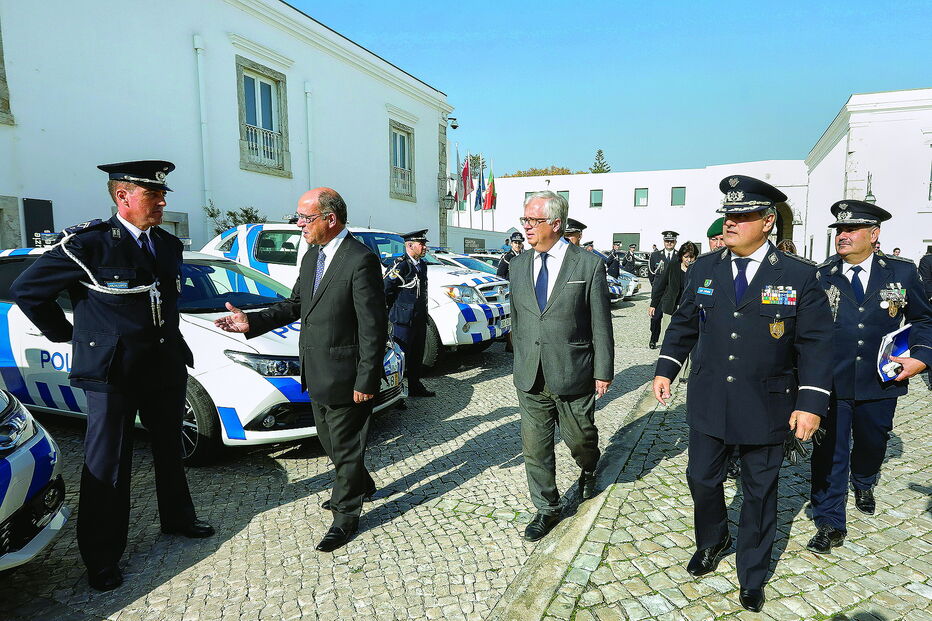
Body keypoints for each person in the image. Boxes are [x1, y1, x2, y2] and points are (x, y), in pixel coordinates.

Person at [10, 160, 213, 591]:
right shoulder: (88, 244)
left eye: (162, 195)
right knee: (109, 462)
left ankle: (178, 518)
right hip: (113, 371)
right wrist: (69, 334)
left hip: (165, 363)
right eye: (152, 195)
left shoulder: (167, 244)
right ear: (123, 196)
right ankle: (102, 556)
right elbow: (27, 290)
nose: (162, 202)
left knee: (169, 447)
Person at [651, 175, 833, 613]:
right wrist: (667, 368)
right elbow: (684, 324)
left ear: (767, 221)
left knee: (759, 491)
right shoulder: (705, 269)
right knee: (701, 478)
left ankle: (752, 573)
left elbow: (815, 345)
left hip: (766, 402)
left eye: (743, 215)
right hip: (710, 398)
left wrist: (810, 403)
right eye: (728, 215)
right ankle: (713, 539)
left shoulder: (798, 275)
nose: (730, 222)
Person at [214, 187, 386, 553]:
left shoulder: (360, 260)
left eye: (305, 218)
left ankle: (345, 515)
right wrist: (252, 322)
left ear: (330, 219)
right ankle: (361, 483)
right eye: (299, 217)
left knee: (345, 444)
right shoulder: (312, 256)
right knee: (329, 440)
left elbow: (373, 327)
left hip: (346, 373)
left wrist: (367, 378)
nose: (298, 224)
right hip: (315, 369)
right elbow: (295, 305)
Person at [806, 201, 932, 554]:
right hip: (832, 381)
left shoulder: (902, 273)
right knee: (829, 450)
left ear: (874, 234)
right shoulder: (821, 274)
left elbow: (923, 320)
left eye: (851, 230)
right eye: (839, 230)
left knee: (872, 441)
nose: (842, 236)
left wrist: (921, 358)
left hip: (880, 381)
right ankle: (830, 521)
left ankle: (863, 480)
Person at [510, 191, 614, 542]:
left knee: (580, 439)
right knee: (535, 448)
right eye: (525, 220)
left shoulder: (587, 265)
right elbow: (519, 320)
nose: (527, 227)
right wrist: (520, 359)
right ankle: (547, 508)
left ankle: (589, 467)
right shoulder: (518, 265)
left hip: (573, 372)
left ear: (556, 223)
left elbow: (600, 323)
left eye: (533, 220)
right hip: (530, 375)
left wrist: (603, 371)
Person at [385, 229, 434, 398]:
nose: (425, 247)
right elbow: (386, 290)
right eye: (421, 244)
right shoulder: (401, 265)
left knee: (417, 355)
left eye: (425, 244)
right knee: (400, 357)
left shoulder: (422, 265)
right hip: (403, 320)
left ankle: (415, 386)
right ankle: (396, 393)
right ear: (410, 245)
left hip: (418, 318)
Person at [649, 241, 698, 379]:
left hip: (689, 310)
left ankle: (685, 373)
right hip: (671, 307)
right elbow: (661, 284)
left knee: (687, 339)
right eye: (686, 257)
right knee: (670, 339)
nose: (689, 260)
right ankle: (667, 371)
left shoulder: (697, 269)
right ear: (681, 256)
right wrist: (654, 304)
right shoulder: (672, 265)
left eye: (691, 257)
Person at [648, 231, 679, 348]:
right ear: (664, 241)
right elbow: (651, 275)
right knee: (655, 318)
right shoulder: (655, 255)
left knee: (673, 318)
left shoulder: (679, 256)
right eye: (667, 241)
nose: (669, 243)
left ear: (675, 242)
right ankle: (653, 339)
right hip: (659, 294)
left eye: (671, 241)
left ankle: (671, 341)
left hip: (673, 293)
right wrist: (656, 287)